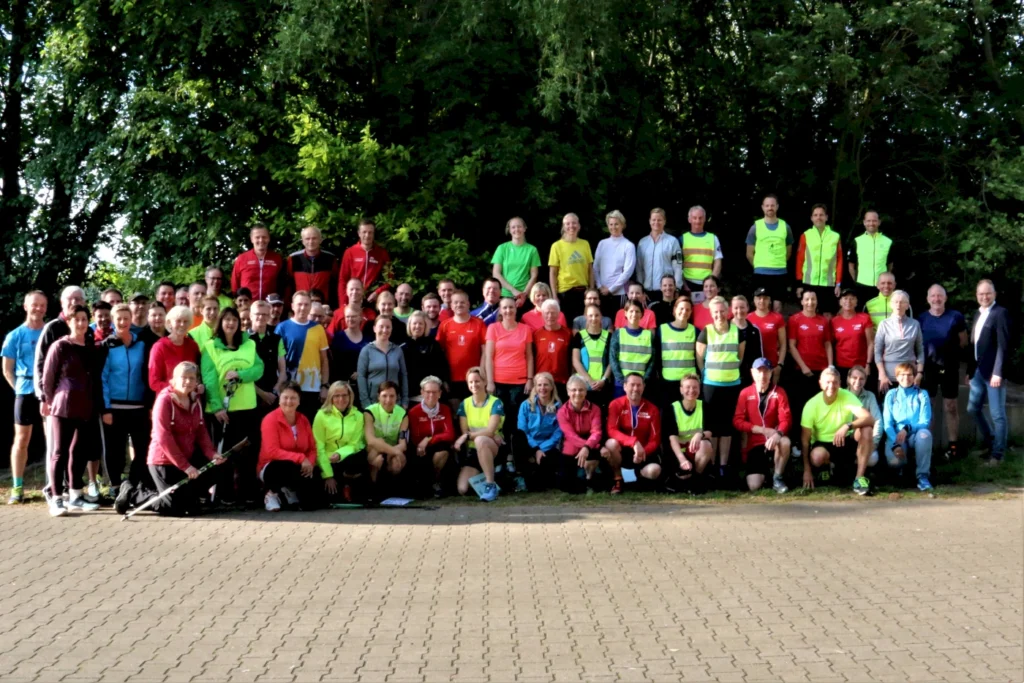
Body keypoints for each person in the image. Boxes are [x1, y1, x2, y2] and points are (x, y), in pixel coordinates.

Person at [41, 305, 103, 516]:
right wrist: (48, 401)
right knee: (59, 452)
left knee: (79, 452)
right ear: (69, 322)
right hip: (63, 407)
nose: (81, 323)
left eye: (84, 319)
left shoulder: (91, 347)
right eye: (77, 319)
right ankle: (57, 498)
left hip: (86, 407)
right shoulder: (60, 346)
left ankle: (76, 495)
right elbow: (48, 378)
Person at [200, 307, 264, 504]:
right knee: (224, 454)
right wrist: (217, 407)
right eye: (226, 319)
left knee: (247, 453)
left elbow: (259, 368)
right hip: (223, 411)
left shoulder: (250, 344)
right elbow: (209, 380)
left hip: (247, 407)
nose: (230, 323)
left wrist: (240, 375)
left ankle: (246, 493)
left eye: (234, 320)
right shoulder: (210, 347)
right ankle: (224, 494)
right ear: (220, 323)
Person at [147, 362, 227, 516]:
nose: (188, 381)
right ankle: (133, 493)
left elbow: (201, 431)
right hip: (164, 461)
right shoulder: (164, 401)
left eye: (192, 378)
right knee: (172, 508)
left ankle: (190, 499)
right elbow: (164, 437)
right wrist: (186, 467)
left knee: (218, 468)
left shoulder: (195, 400)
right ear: (174, 379)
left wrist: (212, 454)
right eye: (183, 377)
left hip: (187, 458)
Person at [101, 304, 153, 511]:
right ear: (113, 321)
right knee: (114, 451)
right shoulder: (107, 345)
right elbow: (103, 378)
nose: (122, 322)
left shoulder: (142, 344)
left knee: (142, 450)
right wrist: (105, 408)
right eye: (119, 319)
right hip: (114, 407)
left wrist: (149, 404)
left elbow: (147, 375)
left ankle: (131, 485)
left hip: (138, 407)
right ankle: (116, 487)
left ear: (131, 319)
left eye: (126, 318)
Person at [800, 368, 876, 495]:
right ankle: (829, 468)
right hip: (823, 444)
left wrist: (848, 425)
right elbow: (805, 441)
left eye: (835, 382)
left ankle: (859, 479)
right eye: (828, 382)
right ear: (820, 383)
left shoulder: (847, 396)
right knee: (817, 457)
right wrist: (806, 470)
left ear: (840, 383)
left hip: (844, 439)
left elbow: (869, 419)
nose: (831, 386)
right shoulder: (811, 405)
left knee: (867, 429)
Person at [3, 291, 47, 504]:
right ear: (26, 306)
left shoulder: (51, 332)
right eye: (34, 304)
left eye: (42, 305)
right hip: (25, 391)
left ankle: (54, 485)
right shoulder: (15, 335)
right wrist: (19, 390)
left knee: (53, 439)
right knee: (21, 440)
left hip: (48, 392)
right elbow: (7, 369)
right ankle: (18, 487)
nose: (38, 308)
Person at [696, 296, 745, 476]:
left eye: (722, 311)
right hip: (711, 385)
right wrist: (707, 374)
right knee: (712, 426)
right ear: (711, 313)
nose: (719, 315)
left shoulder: (737, 332)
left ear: (727, 311)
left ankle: (723, 465)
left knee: (727, 426)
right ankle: (712, 464)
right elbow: (699, 358)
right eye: (715, 312)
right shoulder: (706, 331)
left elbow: (740, 357)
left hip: (732, 385)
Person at [918, 284, 967, 459]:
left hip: (950, 368)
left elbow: (963, 342)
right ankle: (927, 447)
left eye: (940, 295)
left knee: (951, 407)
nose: (936, 299)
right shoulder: (922, 318)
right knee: (928, 407)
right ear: (928, 299)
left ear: (945, 298)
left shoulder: (956, 317)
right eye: (933, 296)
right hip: (928, 369)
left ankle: (953, 447)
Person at [732, 359, 792, 493]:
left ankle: (777, 478)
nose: (762, 375)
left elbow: (786, 420)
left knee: (785, 442)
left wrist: (778, 434)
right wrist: (762, 430)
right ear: (752, 373)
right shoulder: (745, 393)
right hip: (755, 444)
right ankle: (768, 474)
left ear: (771, 373)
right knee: (753, 486)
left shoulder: (779, 392)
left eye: (766, 371)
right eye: (759, 372)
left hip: (776, 442)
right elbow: (737, 421)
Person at [968, 279, 1009, 466]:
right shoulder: (978, 313)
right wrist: (970, 371)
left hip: (994, 373)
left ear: (994, 294)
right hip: (978, 371)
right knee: (973, 409)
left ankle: (998, 455)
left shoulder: (1000, 313)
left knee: (997, 414)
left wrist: (998, 372)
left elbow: (1003, 345)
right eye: (981, 294)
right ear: (977, 296)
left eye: (988, 293)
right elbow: (974, 344)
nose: (984, 297)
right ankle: (991, 442)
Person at [258, 382, 318, 511]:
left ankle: (289, 491)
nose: (289, 401)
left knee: (311, 504)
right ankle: (271, 493)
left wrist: (310, 464)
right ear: (279, 399)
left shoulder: (303, 420)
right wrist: (301, 458)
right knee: (283, 467)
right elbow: (272, 451)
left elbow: (312, 448)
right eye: (285, 397)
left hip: (299, 467)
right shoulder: (270, 419)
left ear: (299, 400)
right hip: (272, 467)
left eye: (293, 398)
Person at [275, 291, 330, 422]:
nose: (303, 308)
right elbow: (278, 359)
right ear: (292, 306)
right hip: (289, 386)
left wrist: (325, 386)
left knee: (308, 424)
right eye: (299, 304)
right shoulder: (282, 327)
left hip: (312, 387)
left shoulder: (318, 329)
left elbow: (324, 360)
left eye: (306, 304)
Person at [484, 297, 534, 438]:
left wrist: (530, 379)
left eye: (511, 307)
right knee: (499, 417)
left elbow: (529, 356)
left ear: (516, 309)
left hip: (519, 382)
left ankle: (514, 448)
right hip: (498, 381)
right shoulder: (493, 328)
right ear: (500, 310)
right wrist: (490, 381)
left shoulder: (525, 329)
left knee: (515, 418)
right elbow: (489, 357)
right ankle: (501, 447)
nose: (508, 310)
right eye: (505, 307)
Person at [605, 374, 662, 493]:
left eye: (639, 385)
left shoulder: (652, 409)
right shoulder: (615, 404)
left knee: (654, 470)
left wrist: (643, 452)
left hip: (644, 452)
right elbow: (612, 430)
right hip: (623, 450)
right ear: (625, 386)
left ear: (643, 387)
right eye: (632, 385)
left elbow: (655, 439)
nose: (635, 388)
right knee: (611, 443)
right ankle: (618, 479)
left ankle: (632, 478)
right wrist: (633, 442)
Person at [453, 367, 504, 501]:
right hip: (474, 451)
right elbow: (464, 431)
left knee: (480, 440)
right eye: (470, 382)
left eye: (477, 381)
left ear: (485, 382)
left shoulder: (495, 402)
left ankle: (490, 485)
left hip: (493, 447)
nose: (474, 385)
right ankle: (488, 475)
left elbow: (490, 430)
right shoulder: (465, 404)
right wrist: (467, 435)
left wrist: (467, 436)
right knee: (462, 489)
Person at [881, 362, 934, 491]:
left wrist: (908, 428)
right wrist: (895, 443)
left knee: (925, 435)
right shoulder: (891, 395)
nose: (906, 378)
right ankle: (903, 470)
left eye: (910, 375)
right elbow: (887, 423)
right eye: (902, 375)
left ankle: (922, 476)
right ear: (897, 377)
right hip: (897, 435)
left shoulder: (922, 394)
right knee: (894, 461)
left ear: (914, 376)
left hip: (915, 434)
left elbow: (925, 421)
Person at [313, 381, 367, 504]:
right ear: (331, 397)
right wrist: (328, 475)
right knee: (330, 499)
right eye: (336, 396)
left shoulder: (358, 416)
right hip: (327, 461)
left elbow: (355, 444)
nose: (341, 399)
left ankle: (349, 483)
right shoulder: (321, 415)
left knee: (361, 457)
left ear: (350, 396)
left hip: (347, 459)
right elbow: (318, 446)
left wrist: (339, 454)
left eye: (344, 395)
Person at [786, 290, 833, 430]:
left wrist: (830, 367)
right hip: (802, 371)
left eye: (813, 299)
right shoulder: (795, 319)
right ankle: (799, 438)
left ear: (817, 301)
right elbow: (792, 346)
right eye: (807, 299)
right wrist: (803, 367)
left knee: (820, 405)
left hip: (821, 370)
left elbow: (828, 344)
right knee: (801, 405)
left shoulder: (823, 321)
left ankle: (818, 436)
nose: (810, 302)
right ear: (802, 301)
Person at [437, 290, 488, 405]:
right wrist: (443, 377)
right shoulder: (445, 325)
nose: (459, 305)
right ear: (451, 305)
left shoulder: (478, 323)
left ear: (468, 304)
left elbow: (485, 350)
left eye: (462, 302)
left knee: (474, 407)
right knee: (455, 410)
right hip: (451, 378)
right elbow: (440, 352)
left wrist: (481, 371)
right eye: (456, 302)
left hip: (473, 378)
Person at [557, 375, 608, 492]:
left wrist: (587, 447)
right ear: (568, 392)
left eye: (581, 390)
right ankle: (584, 480)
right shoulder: (562, 412)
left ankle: (590, 478)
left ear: (586, 392)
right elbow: (571, 436)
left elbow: (596, 432)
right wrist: (596, 447)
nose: (577, 393)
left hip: (591, 444)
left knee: (602, 483)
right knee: (565, 485)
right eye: (573, 390)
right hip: (572, 446)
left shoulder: (595, 409)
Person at [665, 373, 715, 491]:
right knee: (682, 476)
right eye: (687, 387)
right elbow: (672, 439)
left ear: (699, 389)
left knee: (706, 444)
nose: (691, 391)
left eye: (695, 387)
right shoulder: (672, 409)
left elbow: (709, 431)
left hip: (696, 453)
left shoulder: (705, 406)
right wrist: (682, 460)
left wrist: (699, 434)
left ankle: (695, 480)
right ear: (681, 390)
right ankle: (684, 479)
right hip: (679, 453)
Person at [406, 376, 454, 498]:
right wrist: (425, 442)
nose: (431, 395)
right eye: (428, 392)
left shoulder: (445, 409)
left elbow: (450, 434)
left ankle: (436, 482)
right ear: (422, 392)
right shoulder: (414, 412)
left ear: (440, 393)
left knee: (443, 450)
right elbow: (415, 438)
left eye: (434, 392)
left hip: (437, 447)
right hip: (420, 450)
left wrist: (428, 439)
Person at [745, 194, 794, 312]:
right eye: (767, 205)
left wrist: (778, 262)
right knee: (762, 306)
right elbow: (749, 253)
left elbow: (788, 251)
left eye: (772, 205)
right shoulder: (755, 227)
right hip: (761, 274)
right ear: (762, 207)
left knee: (777, 307)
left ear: (777, 207)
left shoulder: (786, 227)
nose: (770, 208)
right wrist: (758, 266)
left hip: (780, 273)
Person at [515, 373, 563, 490]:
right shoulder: (525, 405)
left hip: (548, 447)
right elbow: (523, 430)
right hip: (529, 445)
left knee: (542, 484)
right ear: (535, 387)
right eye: (539, 385)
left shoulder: (558, 407)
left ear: (552, 387)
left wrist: (541, 449)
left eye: (546, 385)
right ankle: (522, 476)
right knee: (517, 437)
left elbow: (558, 432)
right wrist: (536, 449)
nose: (542, 388)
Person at [794, 204, 843, 315]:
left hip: (828, 283)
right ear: (811, 218)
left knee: (827, 315)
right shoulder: (805, 235)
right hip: (809, 282)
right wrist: (799, 284)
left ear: (826, 217)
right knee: (809, 313)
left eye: (821, 215)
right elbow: (800, 260)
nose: (818, 217)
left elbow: (839, 261)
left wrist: (838, 283)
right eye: (815, 215)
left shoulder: (835, 236)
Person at [363, 381, 409, 493]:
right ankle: (372, 490)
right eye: (384, 396)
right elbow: (371, 441)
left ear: (397, 397)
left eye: (392, 396)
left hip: (392, 449)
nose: (388, 400)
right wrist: (395, 451)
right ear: (378, 396)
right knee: (376, 457)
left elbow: (403, 444)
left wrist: (392, 453)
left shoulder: (402, 414)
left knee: (397, 462)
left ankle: (391, 490)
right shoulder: (369, 412)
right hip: (373, 450)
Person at [874, 290, 924, 393]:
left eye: (902, 302)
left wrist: (919, 373)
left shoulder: (915, 324)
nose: (898, 305)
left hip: (910, 375)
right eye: (895, 302)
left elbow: (920, 350)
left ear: (908, 306)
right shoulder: (884, 324)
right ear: (891, 304)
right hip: (888, 377)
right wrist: (882, 374)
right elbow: (877, 352)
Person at [548, 212, 594, 323]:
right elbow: (553, 273)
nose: (571, 226)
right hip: (565, 292)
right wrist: (554, 295)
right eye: (567, 224)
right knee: (567, 324)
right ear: (563, 227)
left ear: (579, 226)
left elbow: (590, 269)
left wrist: (592, 290)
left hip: (583, 292)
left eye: (574, 223)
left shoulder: (585, 244)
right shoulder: (556, 246)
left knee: (584, 324)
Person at [356, 316, 409, 409]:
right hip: (373, 403)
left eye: (388, 327)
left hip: (394, 403)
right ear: (374, 328)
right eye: (381, 326)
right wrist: (366, 403)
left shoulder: (397, 350)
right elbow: (361, 377)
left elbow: (403, 375)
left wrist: (405, 401)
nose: (385, 330)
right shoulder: (366, 350)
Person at [149, 306, 202, 397]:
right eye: (178, 321)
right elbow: (154, 382)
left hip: (190, 399)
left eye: (186, 321)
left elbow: (197, 375)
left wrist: (198, 386)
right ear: (169, 323)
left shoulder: (193, 345)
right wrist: (179, 389)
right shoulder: (160, 347)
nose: (182, 324)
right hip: (168, 399)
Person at [593, 210, 636, 319]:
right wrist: (599, 286)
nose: (613, 227)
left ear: (622, 225)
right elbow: (595, 268)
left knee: (619, 323)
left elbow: (627, 272)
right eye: (611, 224)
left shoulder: (628, 245)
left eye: (616, 224)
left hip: (619, 293)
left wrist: (611, 289)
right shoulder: (602, 244)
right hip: (602, 293)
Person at [655, 295, 697, 406]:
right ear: (674, 310)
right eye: (681, 308)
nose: (684, 312)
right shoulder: (662, 329)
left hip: (689, 382)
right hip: (668, 381)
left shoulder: (695, 331)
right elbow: (657, 355)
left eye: (687, 309)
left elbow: (699, 357)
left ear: (691, 312)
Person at [847, 210, 894, 308]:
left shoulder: (888, 242)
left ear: (879, 222)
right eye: (868, 221)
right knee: (862, 314)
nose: (871, 223)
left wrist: (885, 280)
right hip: (861, 286)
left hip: (881, 287)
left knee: (880, 313)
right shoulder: (857, 241)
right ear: (864, 222)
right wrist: (856, 281)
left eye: (874, 221)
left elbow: (890, 264)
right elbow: (851, 265)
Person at [339, 218, 390, 305]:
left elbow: (390, 279)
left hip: (372, 299)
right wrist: (343, 303)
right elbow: (343, 279)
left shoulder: (382, 253)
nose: (367, 235)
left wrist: (377, 292)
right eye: (364, 232)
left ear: (374, 234)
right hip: (353, 297)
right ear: (359, 233)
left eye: (370, 232)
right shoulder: (350, 252)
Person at [491, 216, 541, 307]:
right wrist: (513, 291)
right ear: (509, 230)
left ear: (524, 228)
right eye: (513, 227)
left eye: (519, 226)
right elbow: (496, 273)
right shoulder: (502, 248)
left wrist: (524, 295)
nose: (516, 229)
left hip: (524, 297)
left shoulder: (532, 250)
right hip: (504, 295)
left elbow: (534, 275)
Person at [635, 207, 682, 303]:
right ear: (649, 221)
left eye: (659, 220)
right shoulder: (642, 243)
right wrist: (640, 290)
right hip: (646, 293)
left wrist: (677, 288)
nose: (656, 222)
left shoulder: (672, 241)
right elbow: (639, 268)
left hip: (666, 292)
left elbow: (678, 267)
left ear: (664, 221)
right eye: (654, 220)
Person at [609, 300, 655, 397]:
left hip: (641, 384)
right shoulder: (618, 334)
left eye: (637, 311)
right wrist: (623, 381)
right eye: (631, 311)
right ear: (625, 313)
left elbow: (652, 360)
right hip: (621, 384)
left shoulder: (649, 335)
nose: (634, 314)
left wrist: (644, 380)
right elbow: (613, 359)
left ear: (642, 314)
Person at [402, 312, 449, 402]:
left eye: (421, 323)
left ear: (425, 326)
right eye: (414, 323)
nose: (417, 326)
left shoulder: (434, 345)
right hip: (412, 394)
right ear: (409, 325)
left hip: (433, 393)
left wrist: (444, 382)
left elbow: (442, 366)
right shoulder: (403, 347)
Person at [831, 289, 874, 387]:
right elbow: (830, 344)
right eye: (845, 298)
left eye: (852, 298)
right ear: (840, 302)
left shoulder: (864, 318)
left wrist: (868, 364)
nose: (848, 301)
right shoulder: (834, 321)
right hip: (841, 366)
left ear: (856, 302)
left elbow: (871, 343)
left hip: (861, 366)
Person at [231, 223, 285, 302]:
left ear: (269, 238)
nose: (261, 240)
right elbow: (235, 284)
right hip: (248, 305)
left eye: (264, 237)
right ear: (252, 239)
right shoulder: (242, 259)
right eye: (257, 237)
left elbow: (283, 284)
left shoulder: (277, 259)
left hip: (270, 305)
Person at [680, 205, 722, 303]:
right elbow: (678, 265)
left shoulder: (713, 238)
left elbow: (718, 262)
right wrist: (684, 284)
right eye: (694, 218)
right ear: (689, 219)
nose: (697, 221)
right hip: (688, 284)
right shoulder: (682, 239)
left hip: (707, 285)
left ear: (705, 219)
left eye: (700, 218)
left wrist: (711, 282)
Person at [287, 225, 338, 305]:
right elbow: (288, 284)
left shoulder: (330, 258)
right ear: (302, 241)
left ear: (320, 240)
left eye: (314, 238)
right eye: (307, 239)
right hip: (301, 305)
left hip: (323, 305)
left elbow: (336, 283)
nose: (311, 242)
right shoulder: (293, 259)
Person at [571, 304, 611, 406]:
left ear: (601, 316)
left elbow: (612, 362)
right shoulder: (579, 336)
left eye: (597, 315)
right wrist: (590, 381)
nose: (594, 318)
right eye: (590, 315)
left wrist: (603, 380)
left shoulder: (609, 336)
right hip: (584, 386)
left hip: (603, 386)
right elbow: (575, 361)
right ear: (586, 317)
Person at [533, 300, 572, 399]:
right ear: (542, 314)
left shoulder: (568, 334)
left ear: (558, 314)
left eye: (553, 313)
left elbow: (572, 359)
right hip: (541, 383)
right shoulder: (536, 334)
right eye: (547, 313)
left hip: (561, 381)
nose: (550, 316)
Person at [846, 366, 882, 470]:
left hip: (862, 438)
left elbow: (878, 420)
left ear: (865, 380)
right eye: (854, 378)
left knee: (872, 458)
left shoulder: (870, 396)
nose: (858, 381)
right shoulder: (841, 394)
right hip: (844, 437)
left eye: (861, 379)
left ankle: (860, 469)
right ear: (848, 378)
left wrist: (874, 443)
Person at [747, 288, 786, 384]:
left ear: (770, 300)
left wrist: (780, 365)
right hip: (754, 366)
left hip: (772, 365)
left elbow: (783, 344)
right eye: (759, 298)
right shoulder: (748, 318)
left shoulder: (777, 318)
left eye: (765, 298)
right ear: (754, 300)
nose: (762, 301)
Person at [330, 305, 370, 393]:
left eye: (354, 316)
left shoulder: (368, 339)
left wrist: (361, 373)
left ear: (360, 317)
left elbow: (371, 362)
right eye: (347, 317)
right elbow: (335, 363)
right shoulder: (339, 337)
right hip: (343, 385)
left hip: (364, 384)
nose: (350, 319)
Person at [731, 296, 763, 387]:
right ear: (731, 309)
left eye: (742, 307)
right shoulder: (726, 329)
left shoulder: (755, 330)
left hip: (749, 377)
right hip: (730, 376)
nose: (739, 311)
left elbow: (759, 356)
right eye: (736, 308)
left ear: (747, 308)